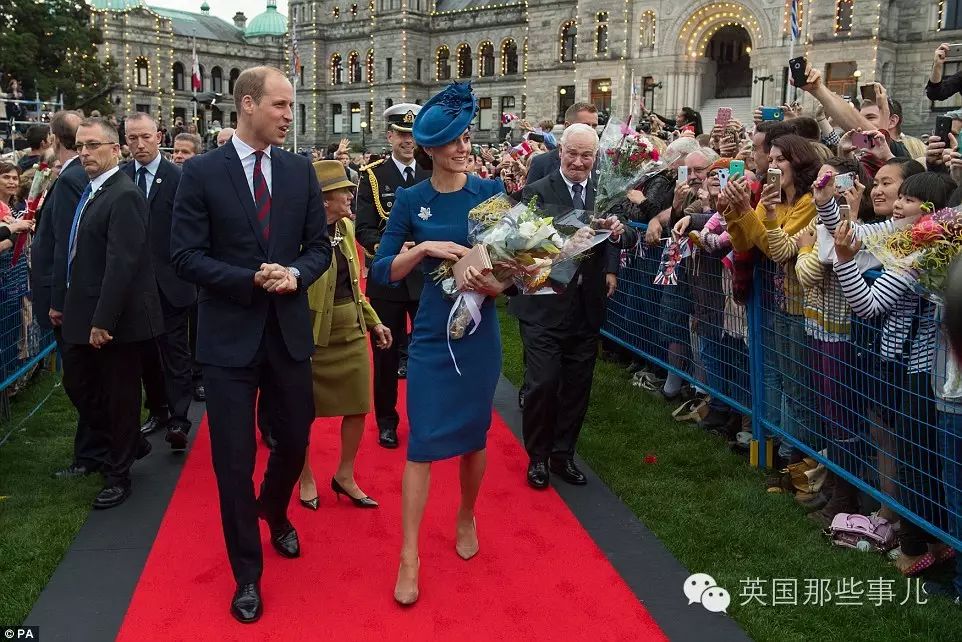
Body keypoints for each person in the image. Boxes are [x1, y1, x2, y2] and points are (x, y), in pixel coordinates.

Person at [170, 66, 330, 624]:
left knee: (296, 438)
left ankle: (275, 509)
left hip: (286, 335)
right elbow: (185, 256)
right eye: (281, 105)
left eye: (291, 106)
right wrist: (248, 279)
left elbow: (319, 249)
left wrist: (295, 274)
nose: (290, 115)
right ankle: (246, 573)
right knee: (232, 463)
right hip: (228, 341)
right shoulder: (202, 174)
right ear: (246, 105)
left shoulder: (299, 171)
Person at [370, 82, 510, 606]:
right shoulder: (411, 200)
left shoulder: (490, 195)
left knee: (474, 437)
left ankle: (467, 513)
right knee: (422, 443)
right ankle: (409, 554)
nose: (462, 146)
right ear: (429, 148)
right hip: (430, 338)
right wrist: (424, 247)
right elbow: (383, 271)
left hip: (478, 336)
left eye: (466, 136)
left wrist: (498, 282)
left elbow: (516, 271)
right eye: (451, 140)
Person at [509, 123, 631, 489]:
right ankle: (538, 457)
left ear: (596, 156)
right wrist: (563, 240)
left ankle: (563, 455)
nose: (579, 162)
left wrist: (621, 231)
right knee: (543, 383)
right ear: (560, 151)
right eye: (573, 153)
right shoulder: (534, 192)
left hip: (586, 307)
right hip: (542, 308)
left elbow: (624, 237)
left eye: (587, 155)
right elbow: (517, 248)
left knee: (577, 386)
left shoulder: (605, 193)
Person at [60, 117, 163, 509]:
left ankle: (119, 475)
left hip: (116, 321)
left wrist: (103, 320)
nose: (84, 152)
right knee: (81, 385)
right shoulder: (94, 191)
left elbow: (123, 263)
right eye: (80, 146)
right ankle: (129, 443)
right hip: (84, 311)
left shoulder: (123, 195)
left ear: (114, 150)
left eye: (93, 146)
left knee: (119, 398)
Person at [298, 160, 393, 510]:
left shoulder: (348, 229)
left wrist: (374, 321)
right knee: (302, 412)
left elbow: (355, 287)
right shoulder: (300, 237)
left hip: (351, 330)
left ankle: (345, 475)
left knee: (358, 406)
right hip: (312, 336)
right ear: (324, 199)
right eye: (344, 190)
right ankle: (305, 476)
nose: (352, 194)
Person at [27, 111, 103, 479]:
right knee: (81, 378)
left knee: (80, 379)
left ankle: (101, 448)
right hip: (64, 295)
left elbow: (70, 244)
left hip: (68, 299)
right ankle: (105, 444)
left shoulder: (73, 178)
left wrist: (59, 299)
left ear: (53, 139)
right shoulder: (69, 176)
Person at [355, 103, 430, 448]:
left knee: (427, 351)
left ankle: (425, 418)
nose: (407, 141)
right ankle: (386, 420)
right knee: (385, 353)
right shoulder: (373, 176)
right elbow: (364, 229)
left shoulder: (431, 171)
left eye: (412, 135)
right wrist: (391, 252)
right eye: (401, 134)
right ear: (390, 136)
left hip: (426, 276)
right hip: (389, 278)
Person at [121, 113, 196, 450]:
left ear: (158, 136)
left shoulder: (179, 178)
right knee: (144, 356)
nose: (139, 144)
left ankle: (179, 419)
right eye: (132, 138)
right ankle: (159, 410)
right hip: (132, 287)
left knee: (175, 353)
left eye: (145, 137)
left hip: (171, 285)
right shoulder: (120, 178)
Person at [526, 102, 599, 184]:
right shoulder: (541, 163)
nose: (591, 130)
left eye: (594, 126)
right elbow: (531, 195)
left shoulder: (603, 163)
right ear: (567, 126)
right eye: (585, 126)